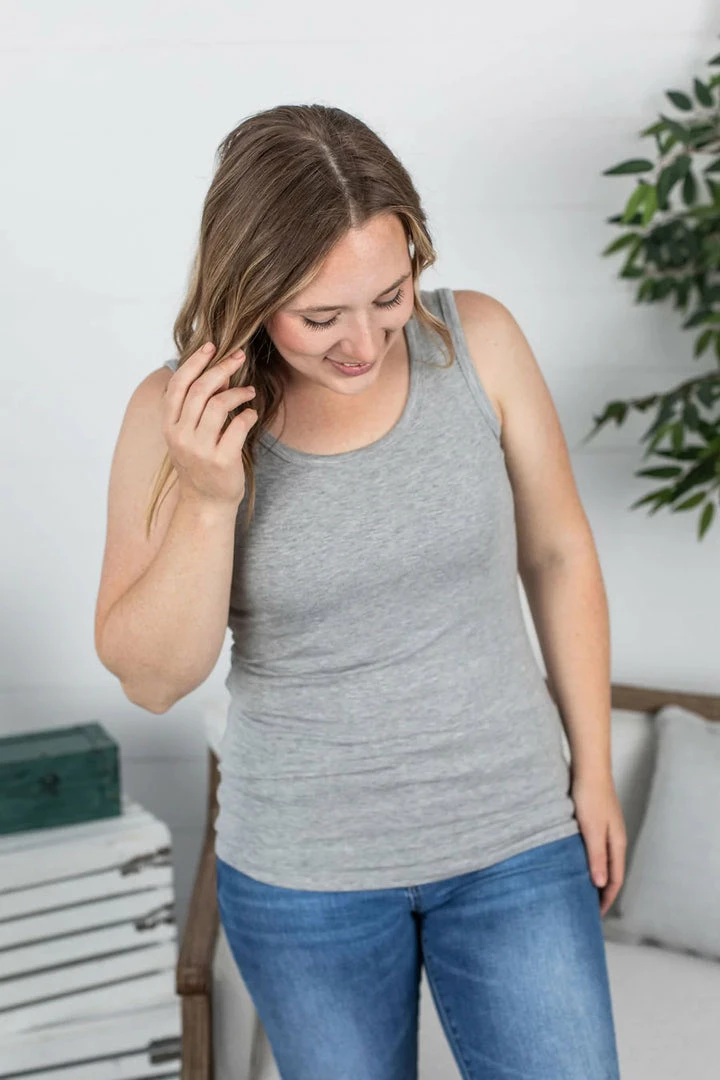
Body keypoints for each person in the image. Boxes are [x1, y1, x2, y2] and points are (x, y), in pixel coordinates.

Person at [95, 103, 626, 1080]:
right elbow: (154, 680)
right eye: (319, 317)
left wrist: (593, 770)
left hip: (514, 841)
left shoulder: (480, 341)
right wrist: (209, 500)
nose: (365, 342)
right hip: (305, 883)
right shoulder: (171, 417)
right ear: (249, 290)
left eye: (389, 295)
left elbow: (558, 553)